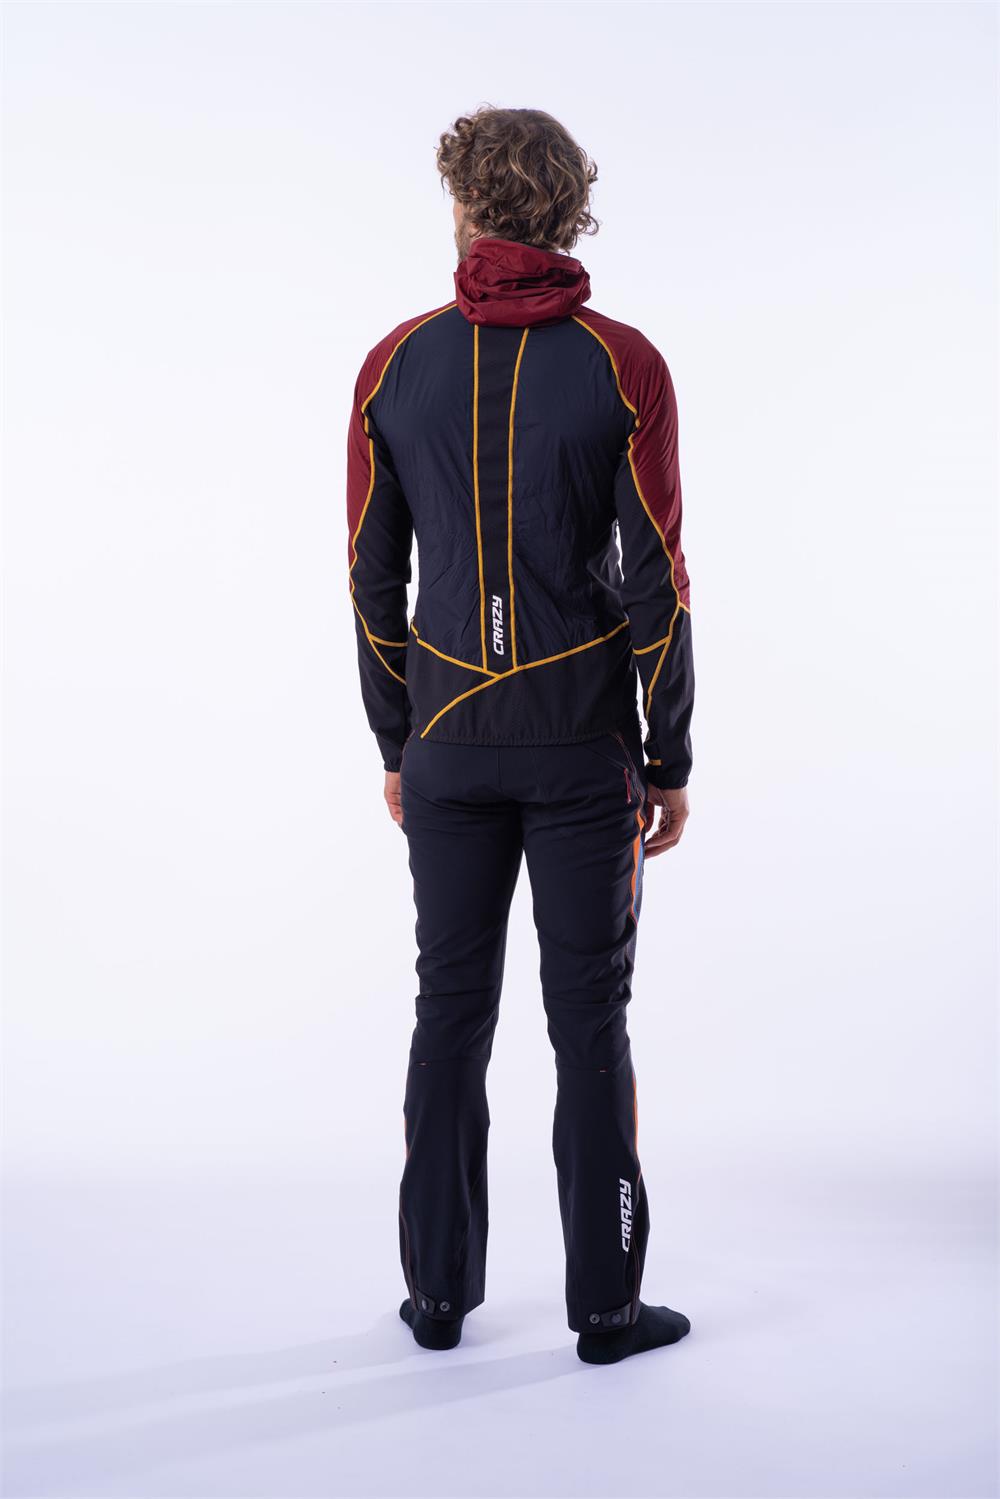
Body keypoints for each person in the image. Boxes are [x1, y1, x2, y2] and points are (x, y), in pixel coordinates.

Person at [346, 106, 694, 1365]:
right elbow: (658, 580)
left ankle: (436, 1298)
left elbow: (369, 576)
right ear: (569, 210)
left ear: (461, 206)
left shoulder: (394, 364)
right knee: (588, 1020)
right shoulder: (623, 363)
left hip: (446, 742)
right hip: (582, 746)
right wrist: (668, 756)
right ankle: (606, 1308)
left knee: (450, 1008)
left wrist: (397, 741)